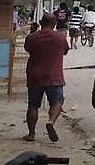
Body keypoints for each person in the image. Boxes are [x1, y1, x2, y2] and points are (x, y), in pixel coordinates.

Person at [22, 13, 69, 142]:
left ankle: (31, 134)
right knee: (57, 102)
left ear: (41, 22)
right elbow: (65, 51)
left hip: (35, 75)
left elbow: (27, 48)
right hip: (54, 76)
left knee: (33, 105)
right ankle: (51, 122)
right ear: (54, 24)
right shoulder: (60, 37)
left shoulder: (32, 37)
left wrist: (32, 31)